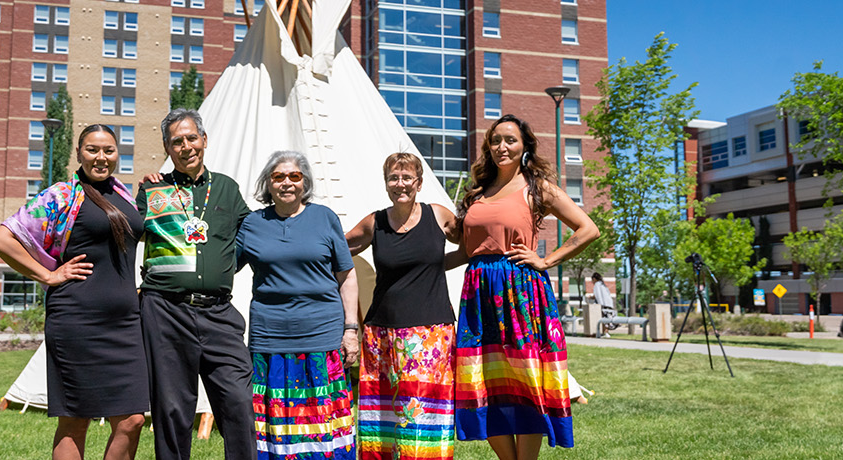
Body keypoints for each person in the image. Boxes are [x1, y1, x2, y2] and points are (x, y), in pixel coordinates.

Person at [0, 125, 148, 460]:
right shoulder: (63, 194)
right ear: (79, 153)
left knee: (132, 419)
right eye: (92, 149)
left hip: (125, 325)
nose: (101, 157)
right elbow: (2, 239)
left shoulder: (123, 195)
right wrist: (48, 274)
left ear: (118, 154)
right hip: (77, 320)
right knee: (75, 421)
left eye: (108, 150)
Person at [453, 114, 599, 459]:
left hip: (520, 291)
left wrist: (547, 261)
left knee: (525, 380)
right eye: (495, 140)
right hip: (478, 294)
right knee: (481, 381)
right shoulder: (477, 192)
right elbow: (467, 250)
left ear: (524, 146)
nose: (502, 147)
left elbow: (588, 229)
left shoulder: (538, 188)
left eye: (510, 140)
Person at [136, 109, 255, 460]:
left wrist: (224, 266)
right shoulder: (155, 190)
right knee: (173, 409)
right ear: (166, 148)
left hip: (219, 312)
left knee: (238, 401)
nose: (186, 146)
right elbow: (127, 233)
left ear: (204, 140)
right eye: (177, 141)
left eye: (191, 138)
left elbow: (250, 235)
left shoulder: (227, 188)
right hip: (166, 312)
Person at [236, 150, 359, 460]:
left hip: (321, 337)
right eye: (278, 177)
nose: (286, 183)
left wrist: (350, 329)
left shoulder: (324, 217)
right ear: (268, 183)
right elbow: (221, 267)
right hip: (270, 339)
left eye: (294, 176)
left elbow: (346, 276)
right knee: (277, 426)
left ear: (305, 182)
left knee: (321, 422)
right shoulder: (252, 223)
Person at [343, 153, 460, 460]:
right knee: (382, 417)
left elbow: (472, 242)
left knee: (423, 411)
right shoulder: (375, 222)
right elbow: (338, 248)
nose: (400, 184)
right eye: (393, 178)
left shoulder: (438, 215)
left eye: (407, 177)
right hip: (382, 334)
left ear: (419, 183)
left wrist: (435, 266)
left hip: (431, 333)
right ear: (386, 185)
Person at [592, 272, 616, 337]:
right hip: (609, 303)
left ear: (594, 279)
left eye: (592, 280)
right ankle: (606, 332)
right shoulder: (603, 284)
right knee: (608, 317)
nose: (592, 282)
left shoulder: (597, 285)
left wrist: (599, 304)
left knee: (604, 318)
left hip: (603, 304)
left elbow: (598, 295)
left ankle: (605, 333)